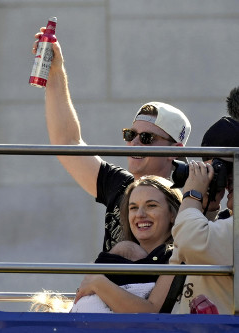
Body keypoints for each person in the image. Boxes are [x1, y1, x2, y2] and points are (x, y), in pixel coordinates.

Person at [32, 29, 191, 252]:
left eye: (146, 138)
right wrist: (56, 71)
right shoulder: (120, 184)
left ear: (175, 150)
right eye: (130, 135)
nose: (134, 143)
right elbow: (67, 142)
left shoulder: (189, 200)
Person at [32, 176, 182, 313]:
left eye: (151, 205)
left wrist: (98, 282)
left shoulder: (176, 256)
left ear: (173, 214)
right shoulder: (118, 254)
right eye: (133, 207)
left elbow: (150, 313)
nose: (140, 214)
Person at [169, 116, 238, 314]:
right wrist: (207, 209)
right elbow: (182, 256)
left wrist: (192, 195)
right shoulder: (224, 225)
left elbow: (191, 242)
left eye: (227, 169)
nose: (225, 181)